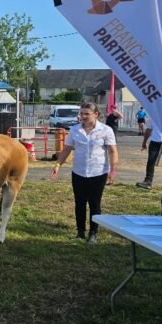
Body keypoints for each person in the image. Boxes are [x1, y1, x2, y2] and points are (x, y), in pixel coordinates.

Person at [50, 102, 118, 245]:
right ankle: (80, 232)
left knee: (94, 204)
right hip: (79, 172)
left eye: (86, 113)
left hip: (98, 173)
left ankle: (93, 234)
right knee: (79, 203)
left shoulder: (106, 130)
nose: (83, 116)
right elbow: (67, 149)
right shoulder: (75, 130)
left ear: (96, 114)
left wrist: (112, 171)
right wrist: (58, 165)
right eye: (81, 113)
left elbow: (112, 151)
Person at [137, 115, 162, 190]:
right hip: (155, 143)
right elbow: (148, 130)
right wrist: (144, 142)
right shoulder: (153, 117)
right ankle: (148, 182)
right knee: (151, 162)